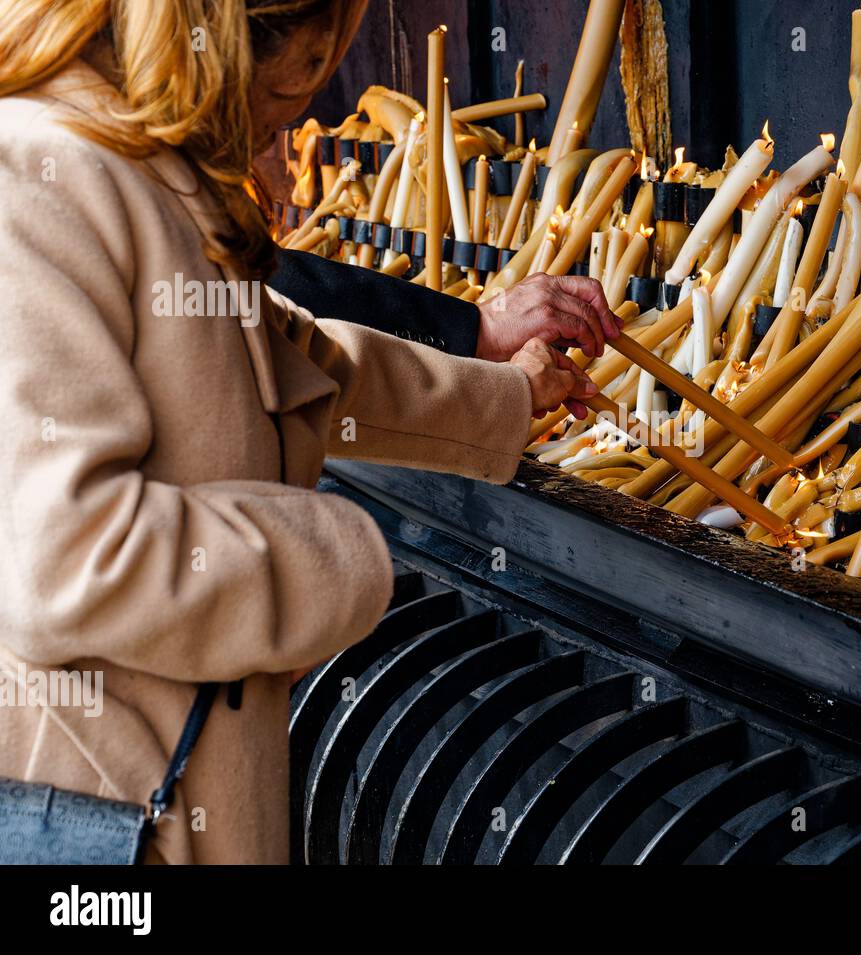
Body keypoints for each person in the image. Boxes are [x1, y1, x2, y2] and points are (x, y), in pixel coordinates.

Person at [0, 0, 618, 863]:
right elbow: (62, 556)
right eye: (283, 104)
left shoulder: (131, 162)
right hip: (103, 827)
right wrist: (338, 566)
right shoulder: (40, 173)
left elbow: (285, 356)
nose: (278, 144)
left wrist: (504, 392)